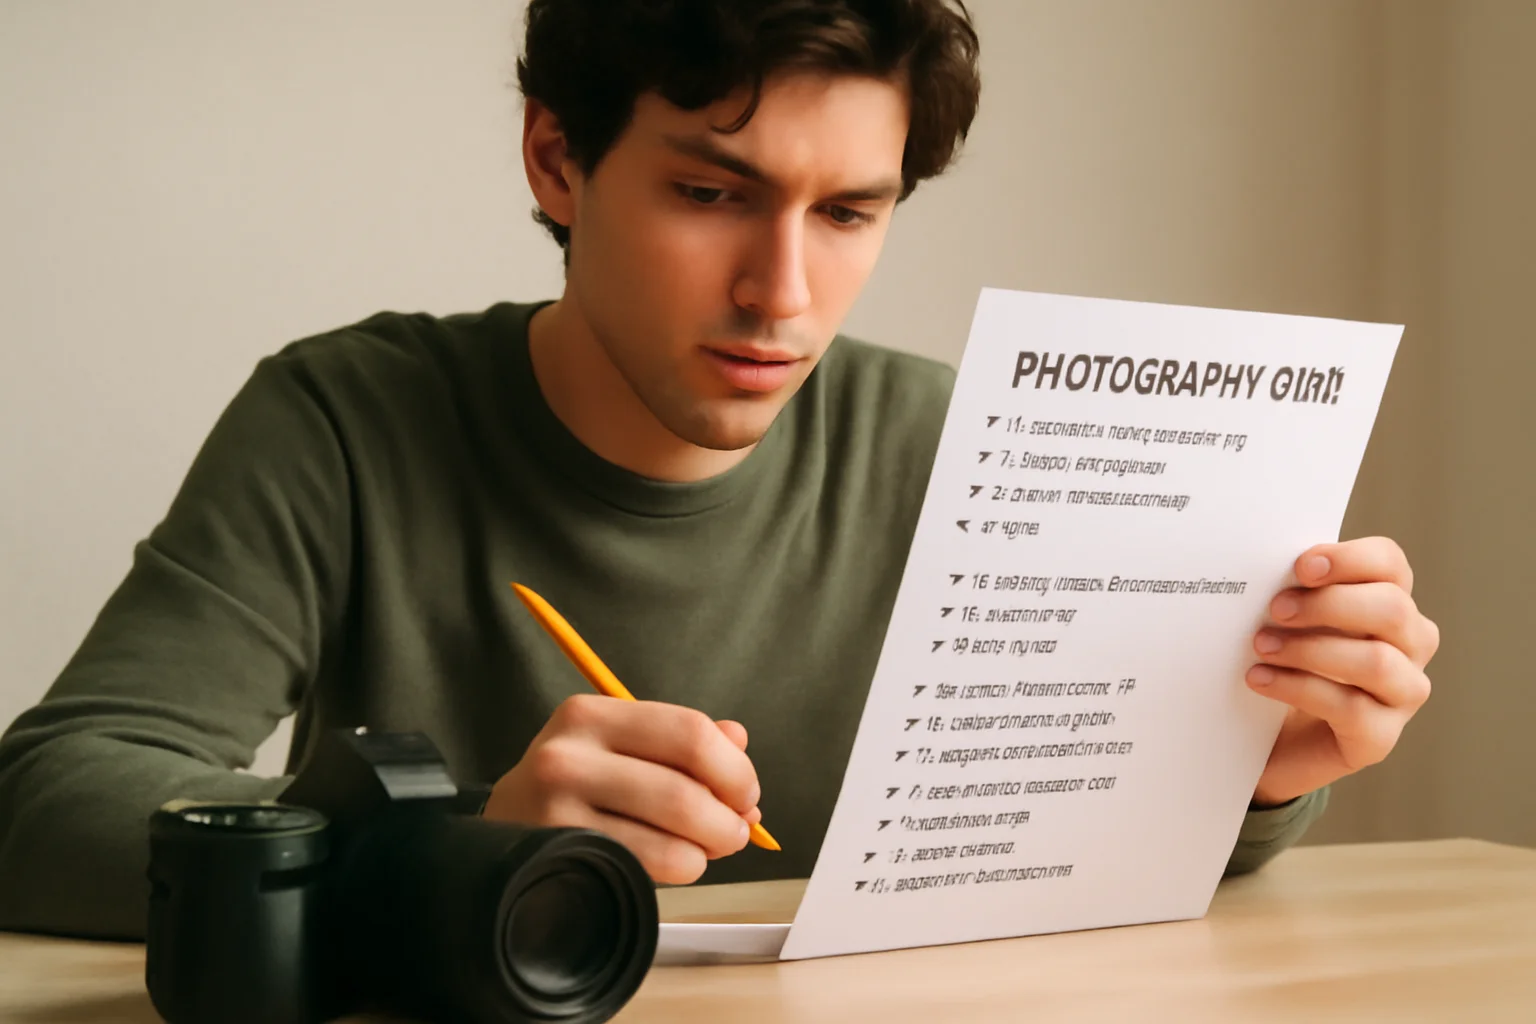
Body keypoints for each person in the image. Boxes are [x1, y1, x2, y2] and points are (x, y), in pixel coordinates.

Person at [0, 0, 1437, 941]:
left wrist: (1253, 774)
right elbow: (48, 800)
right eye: (710, 194)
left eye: (851, 213)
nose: (784, 295)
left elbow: (1080, 868)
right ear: (558, 163)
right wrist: (444, 857)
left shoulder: (953, 442)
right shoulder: (347, 418)